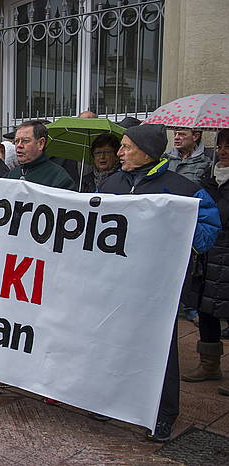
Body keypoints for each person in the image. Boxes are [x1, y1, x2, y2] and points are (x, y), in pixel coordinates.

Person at [98, 123, 221, 442]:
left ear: (147, 152)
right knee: (111, 339)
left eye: (126, 147)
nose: (119, 152)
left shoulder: (182, 188)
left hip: (157, 287)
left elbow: (208, 231)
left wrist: (179, 232)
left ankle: (164, 414)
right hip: (115, 281)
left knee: (160, 348)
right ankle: (111, 397)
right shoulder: (111, 183)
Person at [182, 129, 229, 394]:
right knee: (205, 307)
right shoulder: (208, 180)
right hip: (209, 255)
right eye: (220, 146)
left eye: (228, 146)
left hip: (227, 254)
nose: (223, 151)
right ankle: (209, 363)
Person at [7, 120, 75, 190]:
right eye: (16, 141)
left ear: (41, 143)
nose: (19, 145)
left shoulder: (58, 177)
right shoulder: (12, 174)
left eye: (25, 141)